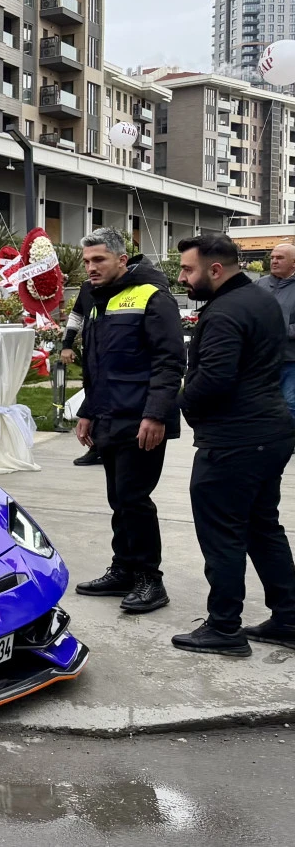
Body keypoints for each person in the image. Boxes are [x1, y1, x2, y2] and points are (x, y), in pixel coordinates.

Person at [173, 233, 295, 656]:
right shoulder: (261, 299)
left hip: (235, 440)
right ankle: (289, 618)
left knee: (223, 533)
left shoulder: (223, 313)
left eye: (189, 270)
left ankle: (225, 627)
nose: (183, 277)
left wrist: (180, 403)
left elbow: (215, 379)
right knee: (263, 526)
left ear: (216, 269)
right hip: (270, 431)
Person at [73, 229, 185, 615]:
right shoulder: (95, 299)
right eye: (87, 261)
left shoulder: (153, 296)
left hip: (141, 420)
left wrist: (154, 415)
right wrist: (87, 410)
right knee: (118, 498)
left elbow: (170, 362)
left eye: (99, 260)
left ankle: (150, 580)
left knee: (135, 499)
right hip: (108, 416)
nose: (91, 268)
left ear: (122, 260)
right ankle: (123, 568)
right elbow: (98, 365)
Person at [61, 279, 100, 466]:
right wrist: (66, 345)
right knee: (91, 393)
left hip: (113, 353)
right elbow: (76, 316)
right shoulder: (87, 287)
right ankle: (96, 447)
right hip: (91, 351)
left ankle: (103, 447)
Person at [254, 242, 295, 419]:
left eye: (280, 258)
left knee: (290, 404)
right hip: (261, 359)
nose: (274, 261)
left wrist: (278, 330)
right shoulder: (258, 285)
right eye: (272, 257)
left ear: (294, 263)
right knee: (261, 404)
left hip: (291, 360)